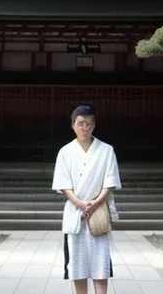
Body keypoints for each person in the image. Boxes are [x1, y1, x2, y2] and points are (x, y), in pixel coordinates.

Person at [52, 104, 121, 294]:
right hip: (76, 211)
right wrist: (80, 204)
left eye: (89, 123)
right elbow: (63, 184)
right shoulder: (65, 152)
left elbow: (110, 181)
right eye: (81, 123)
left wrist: (96, 202)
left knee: (101, 265)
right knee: (77, 265)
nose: (85, 128)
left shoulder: (106, 150)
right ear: (73, 125)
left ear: (94, 125)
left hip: (98, 212)